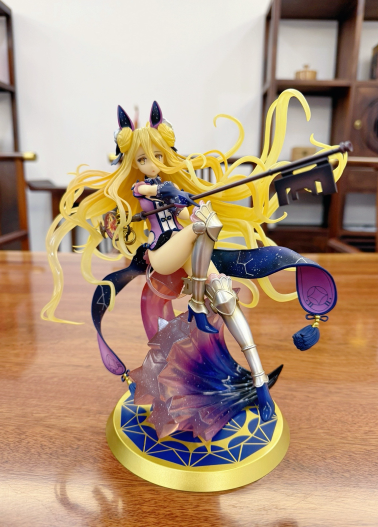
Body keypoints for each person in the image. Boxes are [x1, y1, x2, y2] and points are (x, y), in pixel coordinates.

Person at [41, 90, 346, 424]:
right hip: (162, 253)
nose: (151, 164)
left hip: (188, 251)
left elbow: (187, 218)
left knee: (225, 296)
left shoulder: (171, 187)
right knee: (204, 227)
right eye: (143, 159)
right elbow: (152, 193)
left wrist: (193, 207)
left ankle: (259, 382)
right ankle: (198, 303)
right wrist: (172, 194)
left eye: (158, 156)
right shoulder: (142, 188)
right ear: (133, 163)